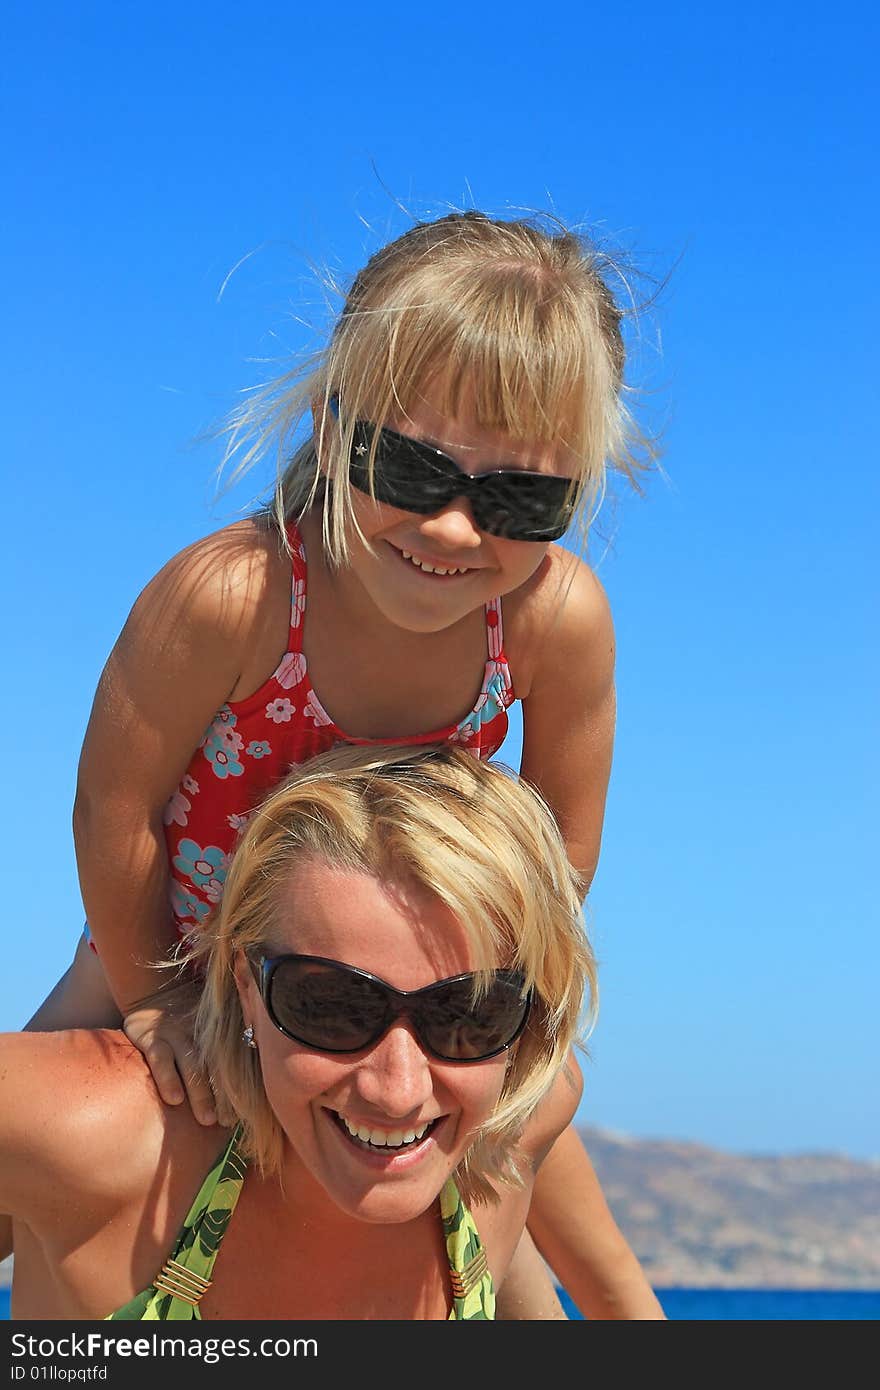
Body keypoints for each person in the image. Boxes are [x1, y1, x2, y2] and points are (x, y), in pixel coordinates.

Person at [17, 209, 664, 1318]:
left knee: (521, 1110)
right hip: (174, 934)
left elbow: (562, 853)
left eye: (520, 500)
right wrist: (153, 1007)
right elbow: (112, 814)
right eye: (409, 468)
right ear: (331, 424)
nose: (456, 531)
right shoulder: (236, 595)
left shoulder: (556, 619)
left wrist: (492, 1003)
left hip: (392, 967)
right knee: (51, 1156)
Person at [4, 745, 594, 1320]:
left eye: (467, 1014)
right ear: (246, 989)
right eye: (331, 1006)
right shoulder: (104, 1136)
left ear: (526, 1023)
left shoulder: (515, 1131)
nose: (399, 1090)